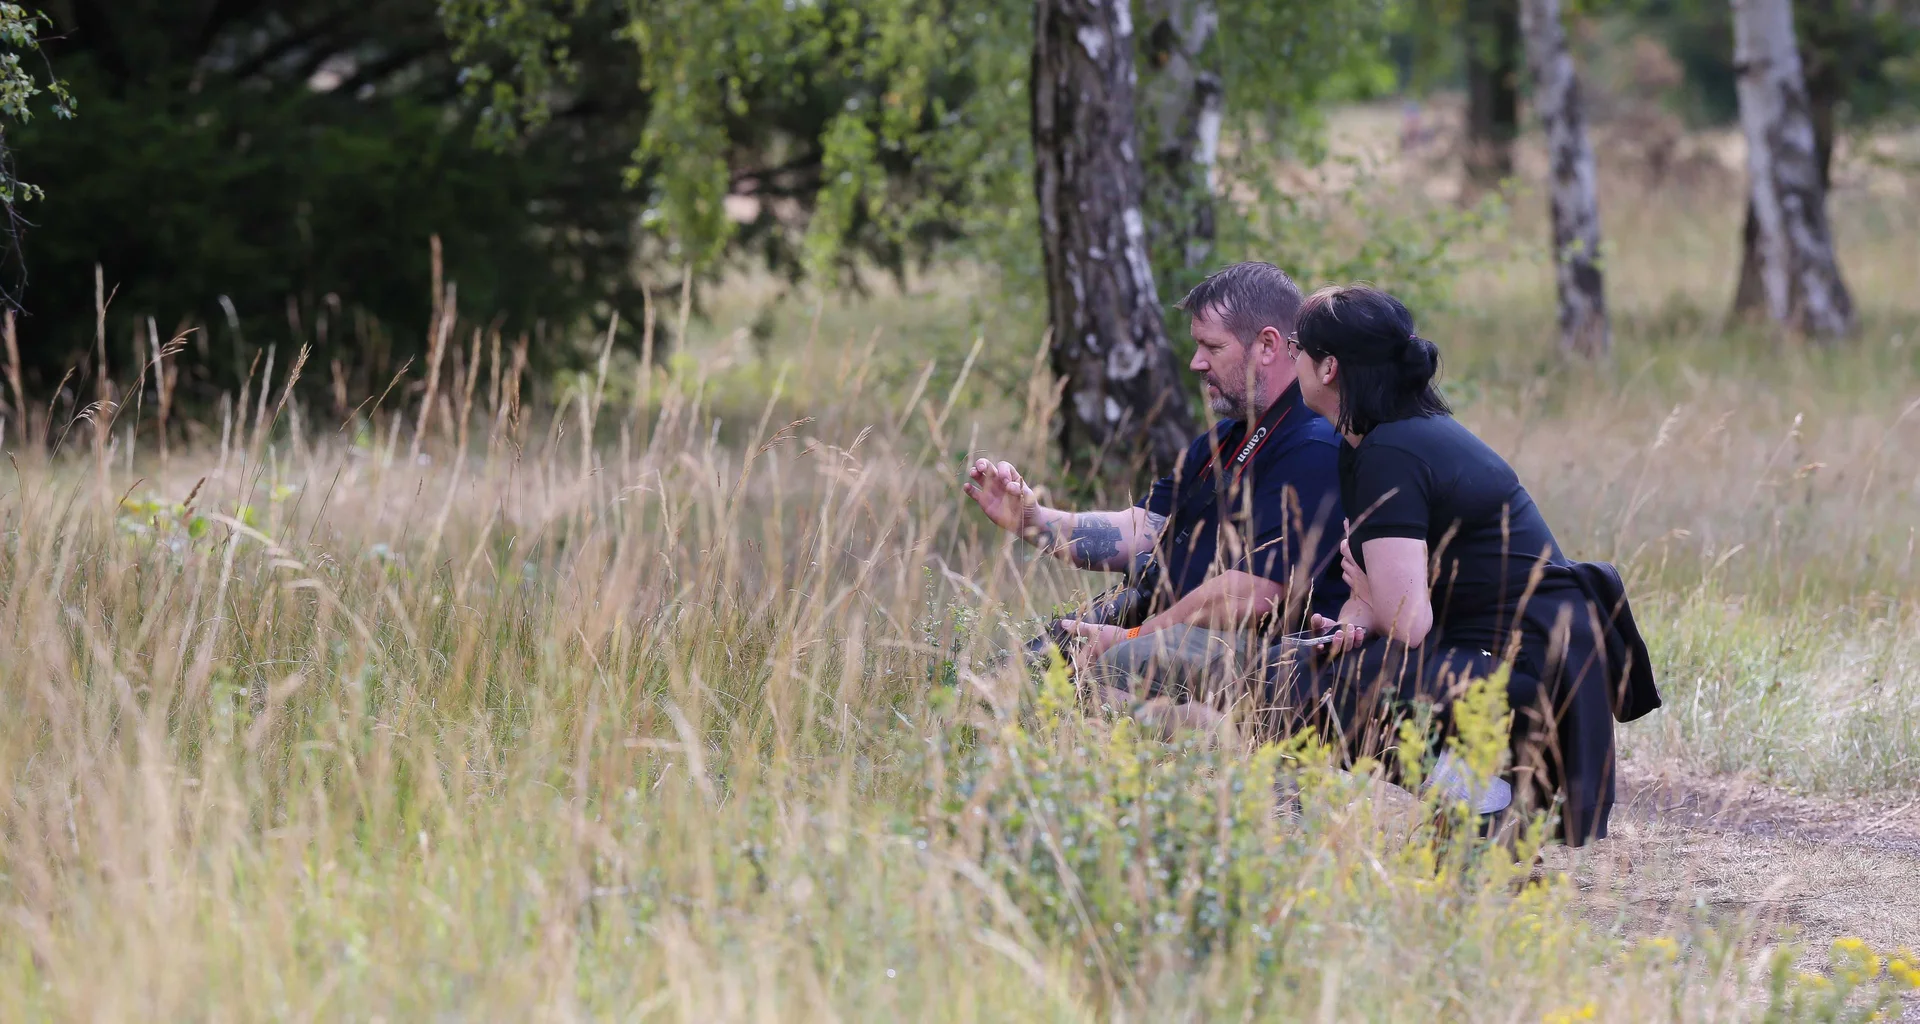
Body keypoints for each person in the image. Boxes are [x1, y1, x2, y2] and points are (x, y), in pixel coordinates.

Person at [1278, 284, 1660, 845]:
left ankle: (1485, 806)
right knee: (1299, 667)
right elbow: (1375, 594)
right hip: (1511, 662)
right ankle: (1476, 800)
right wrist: (1351, 623)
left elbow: (1407, 622)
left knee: (1301, 688)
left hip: (1534, 673)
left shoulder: (1392, 452)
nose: (1292, 357)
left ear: (1329, 367)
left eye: (1297, 346)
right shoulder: (1369, 445)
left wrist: (1371, 598)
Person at [964, 262, 1347, 724]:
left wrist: (1133, 637)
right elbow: (1147, 527)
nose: (1197, 363)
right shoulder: (1226, 438)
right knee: (1010, 676)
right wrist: (1036, 521)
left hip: (1265, 653)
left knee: (1097, 674)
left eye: (1212, 347)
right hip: (1171, 626)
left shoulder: (1312, 442)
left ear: (1267, 344)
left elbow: (1255, 594)